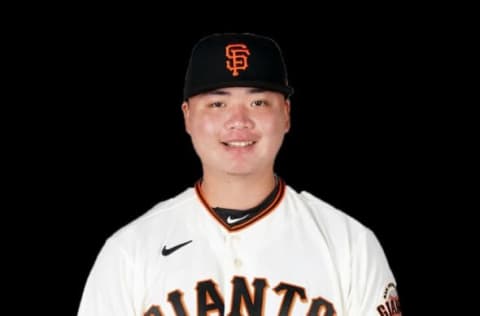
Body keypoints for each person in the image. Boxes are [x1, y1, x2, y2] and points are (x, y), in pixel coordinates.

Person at [78, 32, 402, 316]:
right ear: (187, 117)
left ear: (286, 115)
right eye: (217, 104)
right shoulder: (129, 251)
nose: (238, 121)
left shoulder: (349, 245)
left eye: (258, 102)